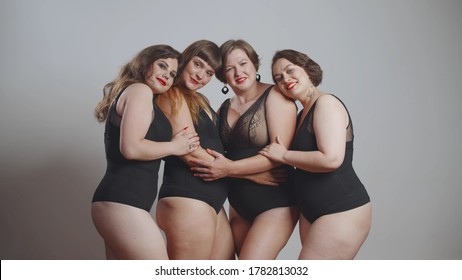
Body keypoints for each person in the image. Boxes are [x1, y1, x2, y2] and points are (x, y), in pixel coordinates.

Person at [190, 39, 299, 259]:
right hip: (237, 206)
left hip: (276, 202)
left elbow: (279, 154)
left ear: (254, 64)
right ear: (223, 76)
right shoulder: (222, 108)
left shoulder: (276, 96)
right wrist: (250, 174)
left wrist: (229, 169)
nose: (238, 72)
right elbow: (218, 154)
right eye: (230, 68)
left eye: (243, 63)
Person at [260, 49, 372, 259]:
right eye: (278, 78)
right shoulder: (303, 112)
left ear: (307, 70)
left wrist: (284, 155)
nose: (286, 79)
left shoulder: (326, 103)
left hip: (341, 209)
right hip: (312, 211)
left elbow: (331, 159)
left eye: (290, 70)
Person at [91, 44, 200, 259]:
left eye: (172, 74)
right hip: (122, 203)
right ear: (145, 63)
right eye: (161, 65)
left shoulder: (142, 95)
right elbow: (131, 148)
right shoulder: (140, 90)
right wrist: (174, 146)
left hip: (118, 203)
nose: (166, 75)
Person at [155, 40, 234, 260]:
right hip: (187, 198)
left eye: (209, 72)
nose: (201, 76)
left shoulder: (201, 100)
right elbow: (191, 152)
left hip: (212, 203)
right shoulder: (172, 94)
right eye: (197, 64)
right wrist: (243, 171)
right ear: (185, 59)